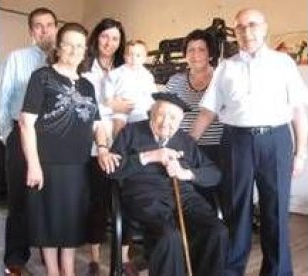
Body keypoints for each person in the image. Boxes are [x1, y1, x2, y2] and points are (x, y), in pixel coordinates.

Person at [191, 8, 308, 276]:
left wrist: (301, 153)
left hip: (276, 141)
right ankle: (231, 271)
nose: (246, 32)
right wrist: (187, 143)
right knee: (236, 211)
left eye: (252, 25)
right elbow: (208, 111)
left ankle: (277, 272)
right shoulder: (225, 67)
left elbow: (298, 111)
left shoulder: (283, 63)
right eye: (240, 27)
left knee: (276, 212)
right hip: (235, 142)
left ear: (265, 28)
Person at [18, 22, 112, 276]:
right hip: (47, 163)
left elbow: (97, 124)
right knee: (48, 223)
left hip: (78, 165)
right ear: (58, 47)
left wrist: (102, 148)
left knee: (71, 222)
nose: (74, 49)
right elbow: (26, 123)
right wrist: (34, 165)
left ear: (85, 51)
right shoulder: (43, 77)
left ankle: (68, 270)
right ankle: (52, 271)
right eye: (69, 44)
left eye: (79, 45)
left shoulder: (87, 86)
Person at [105, 92, 229, 276]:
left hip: (184, 196)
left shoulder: (184, 140)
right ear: (151, 114)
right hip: (145, 197)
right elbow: (113, 170)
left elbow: (214, 174)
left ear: (180, 122)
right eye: (161, 115)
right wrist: (149, 156)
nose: (166, 122)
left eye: (173, 118)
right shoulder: (130, 132)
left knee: (216, 231)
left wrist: (185, 173)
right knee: (169, 237)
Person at [0, 7, 58, 276]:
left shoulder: (65, 60)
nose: (44, 30)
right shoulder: (17, 58)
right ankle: (15, 258)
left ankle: (48, 251)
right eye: (38, 25)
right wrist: (6, 134)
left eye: (49, 25)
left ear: (56, 28)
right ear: (31, 31)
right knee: (21, 199)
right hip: (21, 134)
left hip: (54, 138)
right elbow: (2, 97)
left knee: (50, 199)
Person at [82, 18, 138, 276]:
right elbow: (82, 107)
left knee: (126, 201)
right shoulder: (84, 67)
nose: (109, 43)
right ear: (96, 37)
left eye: (115, 38)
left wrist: (118, 109)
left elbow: (132, 105)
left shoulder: (126, 68)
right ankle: (94, 258)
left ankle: (125, 258)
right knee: (97, 202)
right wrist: (110, 107)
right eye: (105, 36)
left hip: (122, 145)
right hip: (93, 147)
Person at [165, 29, 224, 203]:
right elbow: (166, 112)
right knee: (187, 197)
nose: (195, 54)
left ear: (210, 54)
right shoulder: (175, 81)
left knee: (214, 196)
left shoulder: (222, 78)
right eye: (190, 50)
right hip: (184, 147)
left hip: (216, 147)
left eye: (201, 49)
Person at [103, 39, 157, 137]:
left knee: (145, 128)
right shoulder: (116, 73)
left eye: (138, 55)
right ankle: (117, 147)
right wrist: (110, 100)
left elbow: (153, 94)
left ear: (145, 58)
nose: (133, 58)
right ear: (124, 56)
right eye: (130, 55)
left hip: (140, 109)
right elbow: (108, 89)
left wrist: (153, 107)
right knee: (118, 127)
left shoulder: (147, 75)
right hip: (121, 108)